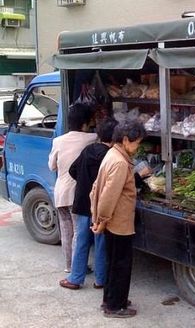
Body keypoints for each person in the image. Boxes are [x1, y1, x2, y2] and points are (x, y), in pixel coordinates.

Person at [90, 120, 147, 318]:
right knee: (121, 264)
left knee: (113, 262)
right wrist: (102, 220)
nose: (137, 147)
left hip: (112, 221)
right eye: (137, 142)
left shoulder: (112, 154)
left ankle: (112, 299)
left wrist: (98, 218)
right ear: (125, 140)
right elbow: (108, 196)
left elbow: (96, 189)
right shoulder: (120, 163)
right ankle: (115, 306)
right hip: (118, 222)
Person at [59, 118, 118, 290]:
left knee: (82, 241)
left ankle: (75, 279)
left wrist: (84, 183)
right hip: (98, 205)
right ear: (115, 138)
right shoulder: (110, 156)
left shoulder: (88, 150)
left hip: (83, 203)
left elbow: (72, 170)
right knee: (101, 243)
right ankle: (100, 280)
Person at [48, 103, 97, 273]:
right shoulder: (91, 138)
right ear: (86, 122)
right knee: (78, 233)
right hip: (77, 194)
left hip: (60, 193)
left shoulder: (58, 141)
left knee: (66, 232)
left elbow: (51, 166)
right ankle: (79, 268)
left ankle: (69, 266)